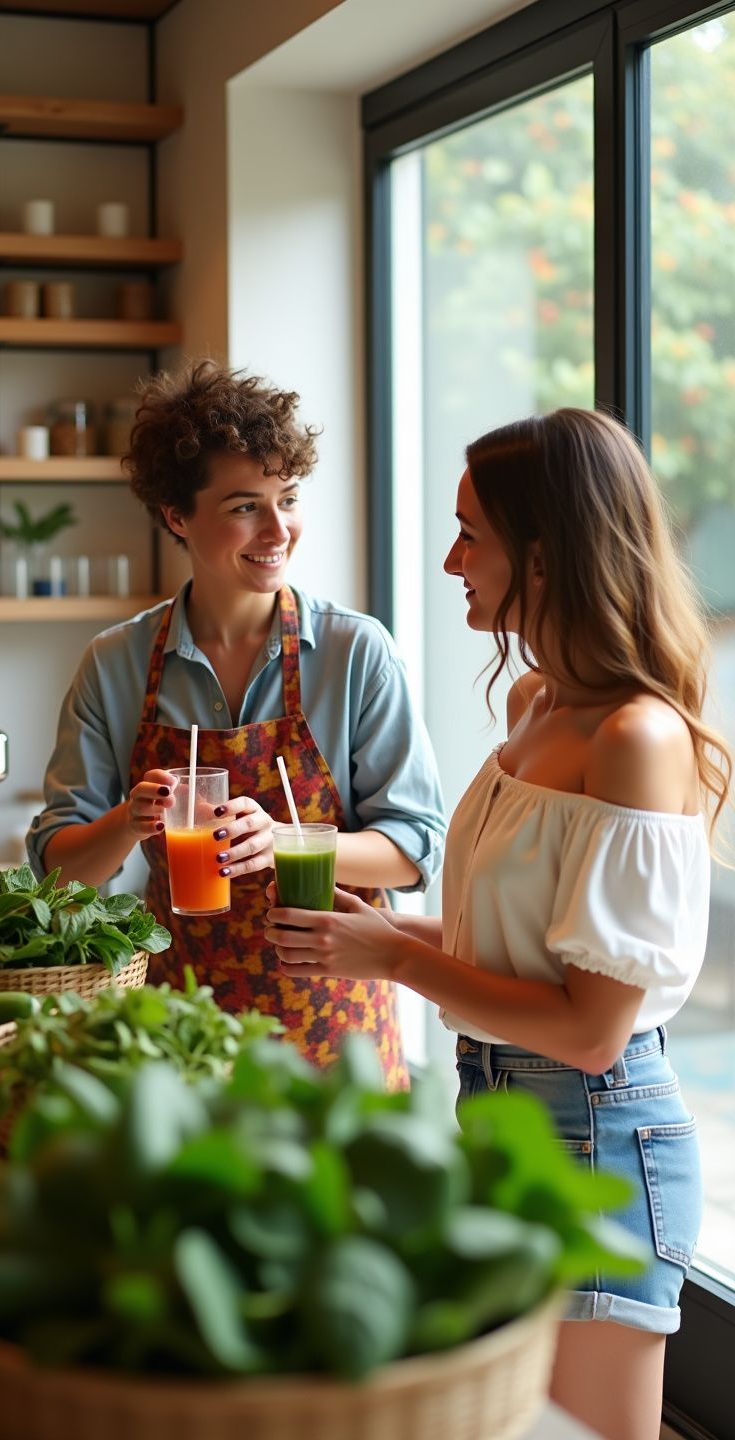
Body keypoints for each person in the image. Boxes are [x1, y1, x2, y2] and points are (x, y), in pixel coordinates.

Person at [265, 406, 731, 1440]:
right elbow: (525, 949)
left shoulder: (635, 738)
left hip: (599, 1137)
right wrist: (387, 941)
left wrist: (395, 955)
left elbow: (591, 1027)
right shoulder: (534, 702)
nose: (448, 560)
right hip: (498, 1114)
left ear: (546, 550)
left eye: (471, 533)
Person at [26, 359, 445, 1090]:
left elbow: (413, 851)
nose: (278, 529)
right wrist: (129, 820)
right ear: (177, 516)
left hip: (338, 1043)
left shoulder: (354, 652)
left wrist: (285, 840)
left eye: (288, 498)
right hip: (185, 1042)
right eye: (246, 506)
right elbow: (59, 872)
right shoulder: (117, 664)